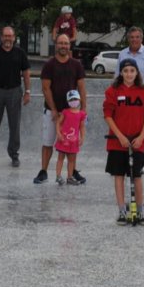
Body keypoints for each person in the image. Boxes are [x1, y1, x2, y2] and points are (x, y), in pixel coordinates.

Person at [104, 59, 144, 224]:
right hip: (117, 141)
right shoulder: (113, 91)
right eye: (125, 71)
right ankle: (122, 211)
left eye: (132, 71)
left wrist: (141, 137)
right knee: (119, 175)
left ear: (137, 72)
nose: (129, 74)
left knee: (137, 175)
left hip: (137, 142)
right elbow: (108, 115)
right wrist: (120, 136)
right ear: (121, 73)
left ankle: (139, 211)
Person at [35, 34, 86, 184]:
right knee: (48, 141)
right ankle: (43, 171)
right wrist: (54, 110)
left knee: (72, 143)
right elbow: (46, 88)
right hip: (53, 111)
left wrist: (84, 109)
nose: (63, 46)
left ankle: (72, 172)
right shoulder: (49, 65)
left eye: (66, 43)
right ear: (56, 45)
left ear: (69, 45)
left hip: (73, 113)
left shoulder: (76, 65)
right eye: (60, 43)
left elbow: (82, 88)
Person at [0, 25, 32, 167]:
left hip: (14, 92)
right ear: (1, 37)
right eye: (5, 36)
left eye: (10, 36)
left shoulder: (20, 53)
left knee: (14, 126)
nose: (8, 38)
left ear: (14, 37)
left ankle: (14, 154)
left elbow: (26, 73)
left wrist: (27, 92)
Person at [55, 89, 87, 185]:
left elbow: (82, 127)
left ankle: (69, 177)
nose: (73, 101)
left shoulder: (81, 114)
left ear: (79, 100)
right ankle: (58, 176)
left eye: (75, 99)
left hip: (74, 142)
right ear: (68, 101)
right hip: (63, 139)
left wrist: (82, 137)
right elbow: (58, 123)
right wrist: (58, 133)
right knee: (60, 158)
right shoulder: (65, 112)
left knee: (71, 160)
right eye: (71, 99)